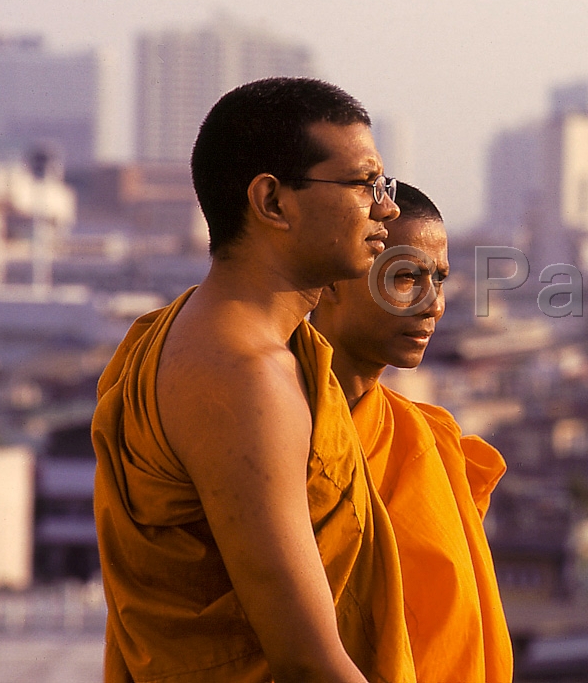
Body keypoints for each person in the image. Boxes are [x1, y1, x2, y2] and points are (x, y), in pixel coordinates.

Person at [92, 77, 417, 683]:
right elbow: (309, 661)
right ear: (271, 201)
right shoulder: (245, 377)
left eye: (385, 185)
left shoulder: (187, 333)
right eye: (364, 184)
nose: (387, 208)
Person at [311, 183, 514, 683]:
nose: (433, 305)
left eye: (439, 280)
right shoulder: (273, 428)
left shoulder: (429, 442)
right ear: (332, 278)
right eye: (405, 277)